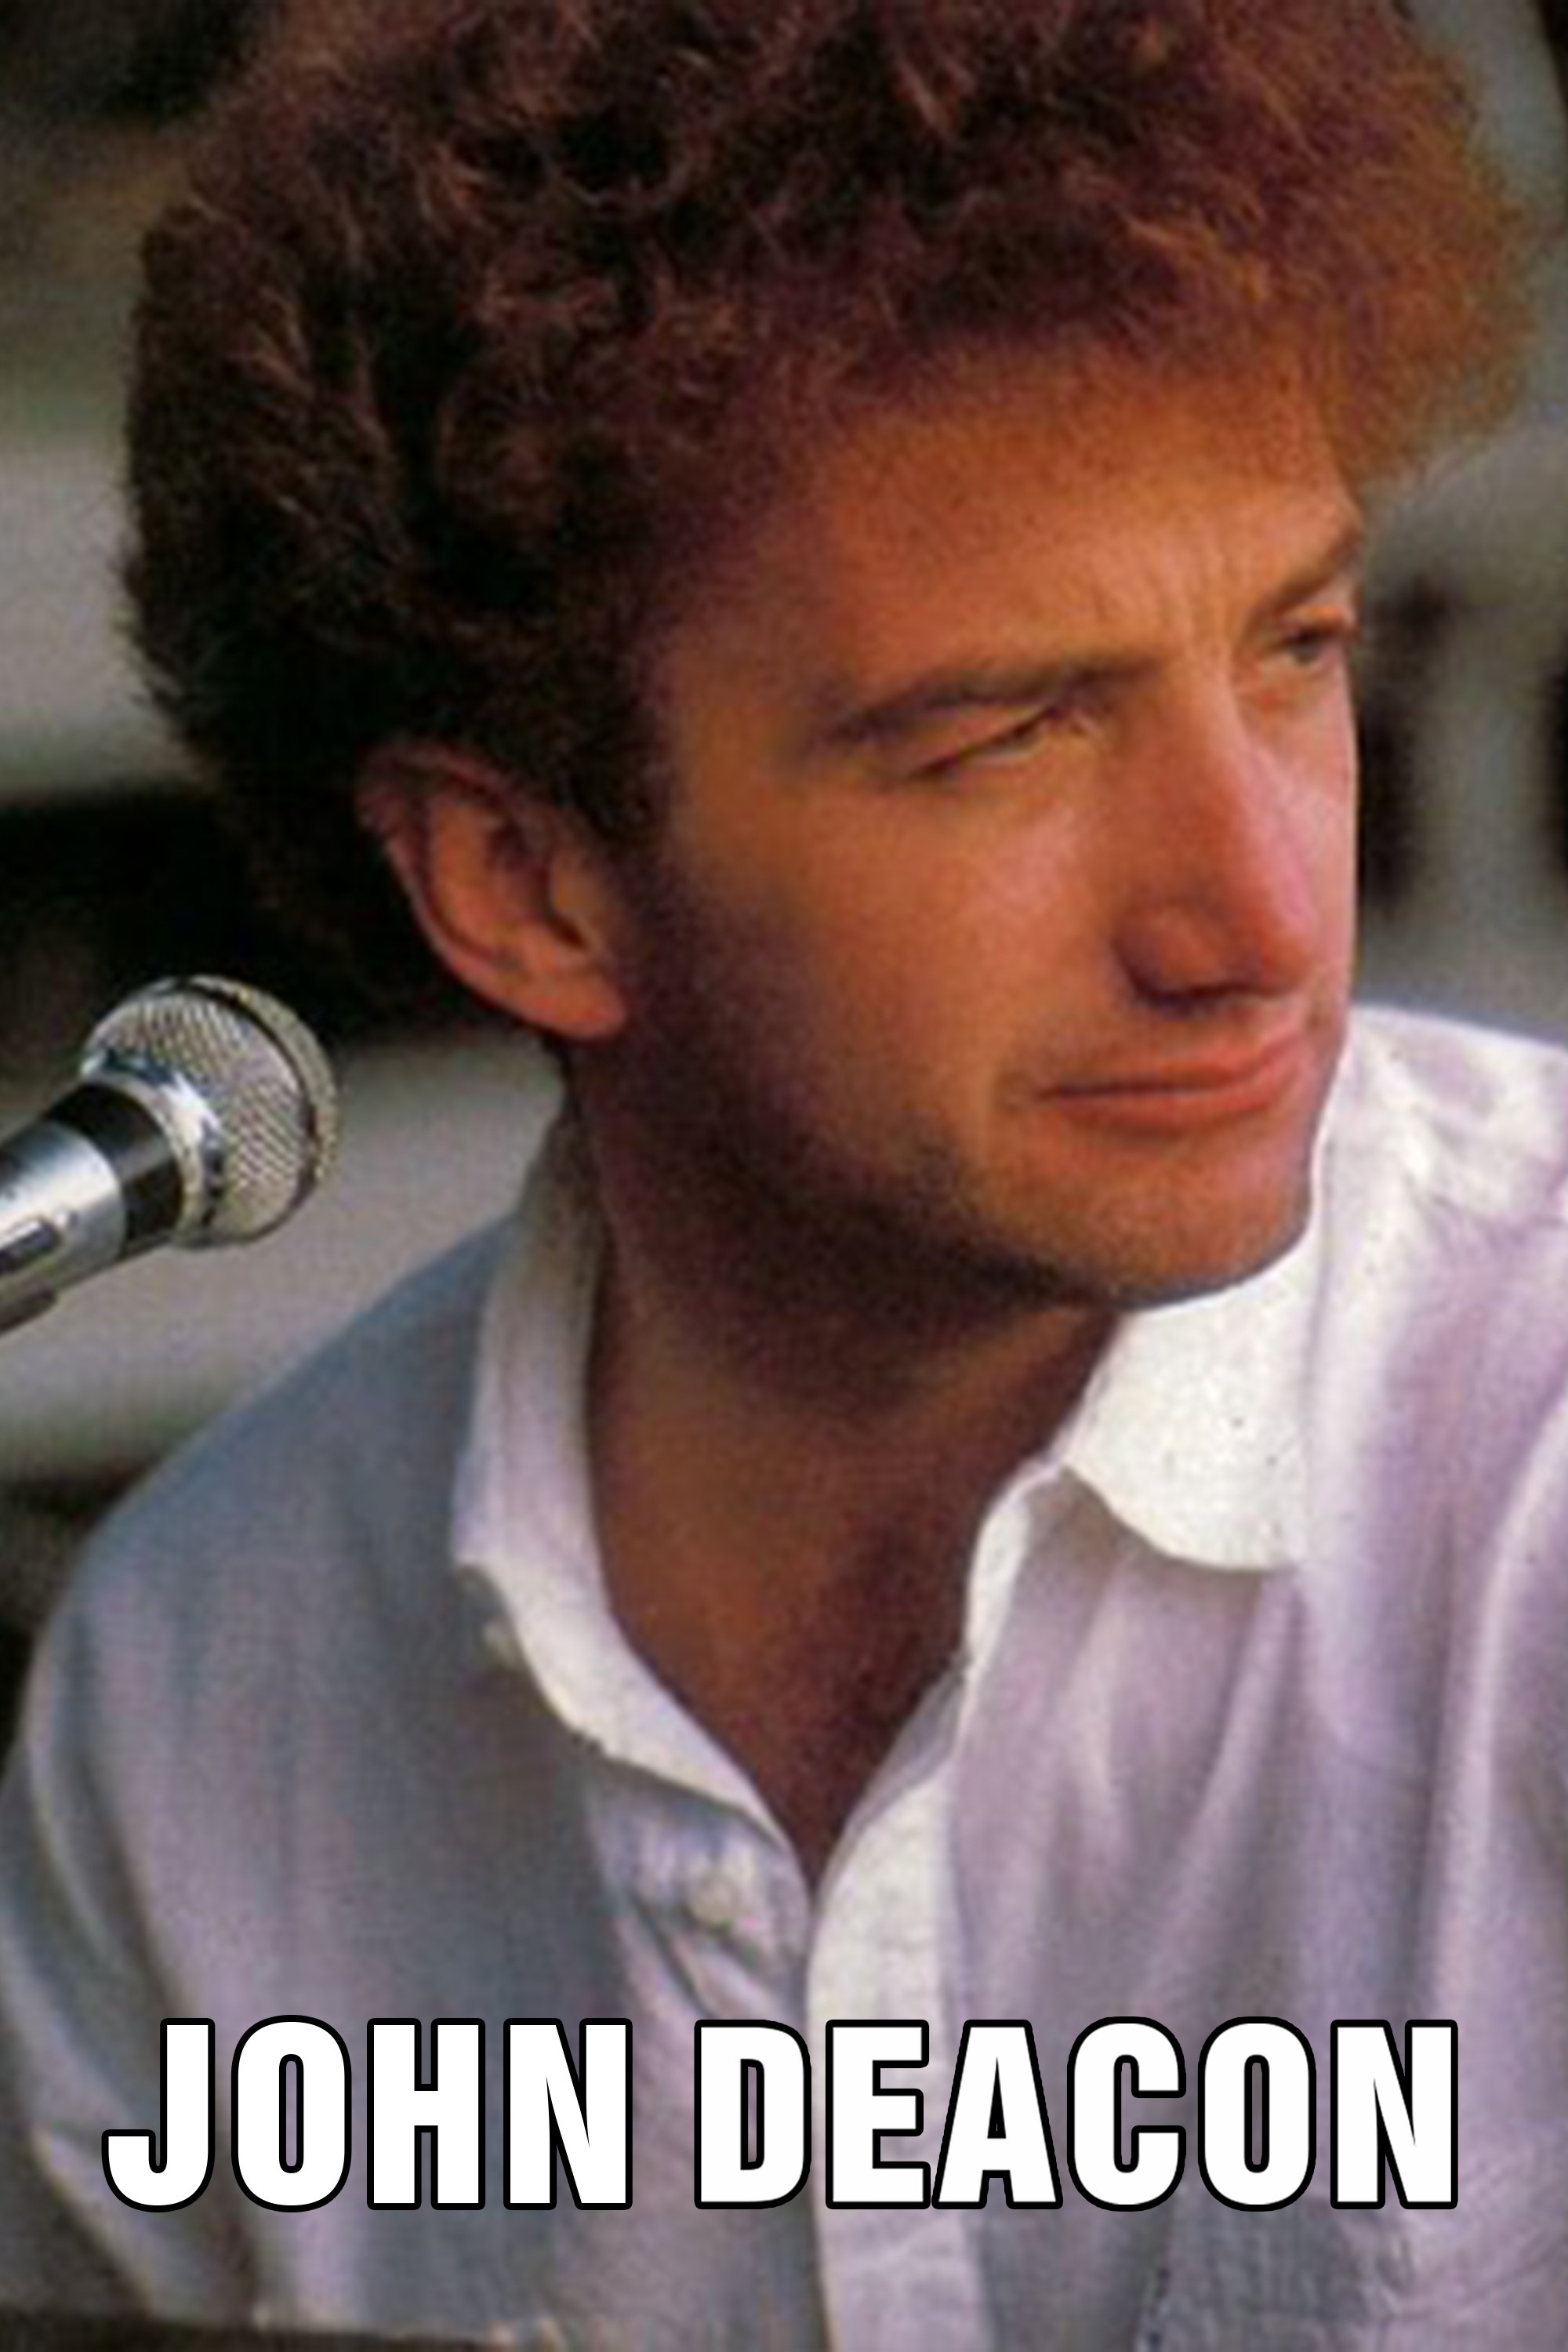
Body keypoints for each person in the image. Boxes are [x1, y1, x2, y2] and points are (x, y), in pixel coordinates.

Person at [0, 0, 1563, 2342]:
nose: (1259, 917)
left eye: (1297, 648)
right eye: (1008, 736)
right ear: (525, 885)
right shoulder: (193, 1702)